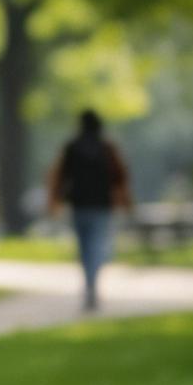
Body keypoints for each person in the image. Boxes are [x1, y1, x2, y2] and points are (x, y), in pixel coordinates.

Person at [49, 108, 133, 310]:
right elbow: (120, 177)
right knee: (97, 246)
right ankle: (92, 285)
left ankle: (89, 285)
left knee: (84, 247)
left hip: (79, 204)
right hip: (102, 204)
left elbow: (60, 176)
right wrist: (126, 201)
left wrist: (55, 200)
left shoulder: (71, 147)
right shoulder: (107, 148)